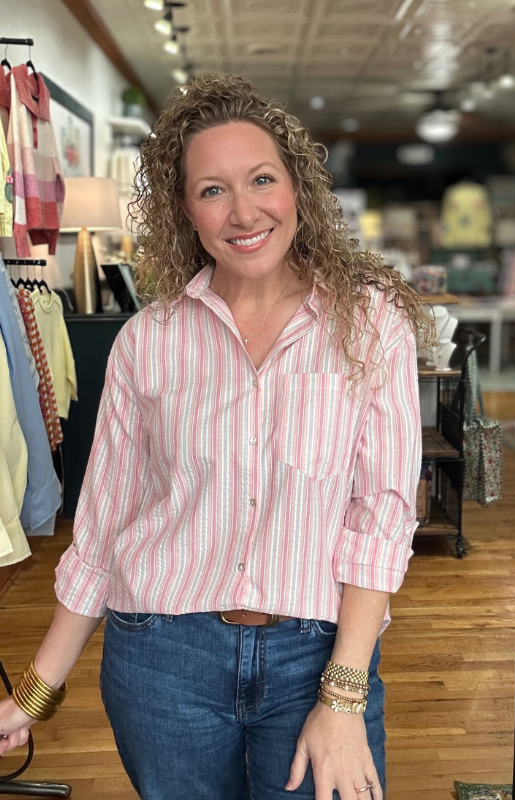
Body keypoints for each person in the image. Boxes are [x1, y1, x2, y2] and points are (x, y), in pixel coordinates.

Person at [0, 73, 431, 800]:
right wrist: (33, 696)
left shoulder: (370, 323)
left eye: (261, 179)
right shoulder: (148, 342)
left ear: (298, 187)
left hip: (317, 656)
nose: (243, 212)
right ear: (184, 211)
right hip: (161, 661)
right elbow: (101, 532)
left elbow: (380, 517)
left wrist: (345, 695)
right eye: (211, 190)